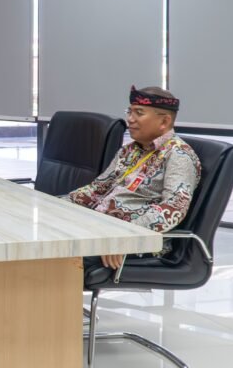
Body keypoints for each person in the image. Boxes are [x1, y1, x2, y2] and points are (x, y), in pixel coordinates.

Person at [67, 86, 202, 271]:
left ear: (164, 121)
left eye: (139, 113)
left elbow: (172, 209)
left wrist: (125, 237)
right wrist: (57, 206)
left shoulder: (178, 155)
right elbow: (97, 188)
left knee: (55, 254)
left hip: (136, 244)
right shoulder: (130, 150)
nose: (130, 119)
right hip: (102, 229)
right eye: (129, 112)